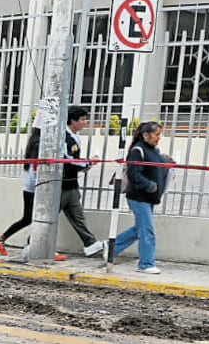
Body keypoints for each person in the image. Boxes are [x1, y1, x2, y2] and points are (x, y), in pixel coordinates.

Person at [99, 121, 170, 274]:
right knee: (147, 230)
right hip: (139, 197)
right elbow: (134, 174)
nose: (159, 138)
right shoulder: (137, 151)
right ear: (146, 135)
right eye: (157, 134)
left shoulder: (154, 150)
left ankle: (112, 246)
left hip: (149, 198)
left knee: (140, 229)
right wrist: (149, 185)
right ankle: (146, 263)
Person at [0, 128, 65, 262]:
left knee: (31, 218)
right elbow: (37, 169)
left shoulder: (35, 143)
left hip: (32, 188)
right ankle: (36, 246)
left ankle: (4, 239)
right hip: (36, 188)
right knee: (38, 218)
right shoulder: (40, 145)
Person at [59, 107, 100, 256]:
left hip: (71, 183)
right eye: (82, 119)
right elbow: (68, 160)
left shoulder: (75, 137)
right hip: (61, 183)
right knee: (50, 218)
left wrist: (87, 164)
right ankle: (33, 243)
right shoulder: (64, 137)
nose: (85, 122)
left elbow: (75, 162)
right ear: (72, 121)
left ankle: (90, 244)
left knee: (78, 216)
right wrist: (87, 162)